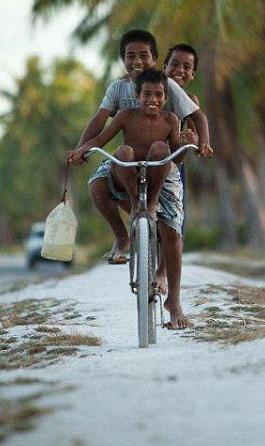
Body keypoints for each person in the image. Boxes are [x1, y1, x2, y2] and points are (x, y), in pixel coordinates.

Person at [74, 29, 213, 266]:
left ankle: (161, 267)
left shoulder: (167, 86)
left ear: (154, 59)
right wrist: (81, 149)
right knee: (99, 182)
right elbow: (100, 124)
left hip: (163, 160)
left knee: (172, 223)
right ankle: (124, 235)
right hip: (128, 159)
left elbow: (196, 117)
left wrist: (201, 142)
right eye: (130, 56)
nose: (137, 61)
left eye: (144, 55)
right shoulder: (119, 90)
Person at [70, 69, 196, 329]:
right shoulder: (126, 116)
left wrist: (186, 142)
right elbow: (101, 138)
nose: (153, 99)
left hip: (158, 170)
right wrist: (82, 149)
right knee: (123, 150)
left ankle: (150, 207)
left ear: (165, 96)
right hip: (128, 171)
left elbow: (177, 157)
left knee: (162, 150)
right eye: (146, 94)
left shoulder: (172, 119)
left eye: (159, 94)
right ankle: (131, 219)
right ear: (136, 96)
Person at [162, 43, 201, 234]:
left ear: (193, 74)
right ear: (164, 68)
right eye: (174, 64)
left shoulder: (190, 100)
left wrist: (192, 140)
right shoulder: (149, 92)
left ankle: (166, 264)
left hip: (174, 164)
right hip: (144, 159)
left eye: (187, 67)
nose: (180, 70)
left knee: (176, 221)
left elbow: (195, 132)